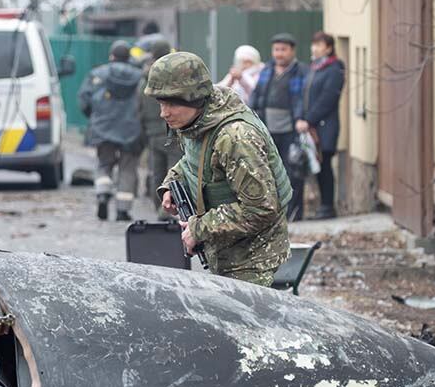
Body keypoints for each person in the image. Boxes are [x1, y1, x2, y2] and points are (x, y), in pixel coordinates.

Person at [147, 51, 291, 285]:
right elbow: (195, 161)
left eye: (172, 103)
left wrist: (199, 229)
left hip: (253, 261)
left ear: (193, 97)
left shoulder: (235, 138)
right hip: (226, 253)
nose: (164, 113)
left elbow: (261, 209)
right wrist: (171, 184)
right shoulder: (199, 122)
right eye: (161, 103)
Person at [78, 40, 143, 221]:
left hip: (103, 127)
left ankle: (102, 193)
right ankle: (122, 210)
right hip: (131, 129)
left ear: (111, 56)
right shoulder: (139, 77)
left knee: (104, 164)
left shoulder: (97, 74)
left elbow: (84, 100)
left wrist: (94, 117)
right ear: (128, 57)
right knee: (127, 169)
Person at [250, 33, 308, 221]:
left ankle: (294, 212)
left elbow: (303, 100)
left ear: (292, 51)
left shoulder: (301, 72)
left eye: (283, 50)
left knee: (293, 171)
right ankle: (274, 211)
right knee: (269, 171)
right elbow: (256, 96)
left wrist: (301, 118)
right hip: (268, 129)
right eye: (276, 49)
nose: (279, 54)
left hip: (291, 130)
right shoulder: (267, 70)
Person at [301, 31, 346, 220]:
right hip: (311, 126)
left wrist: (309, 119)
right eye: (314, 44)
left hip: (325, 126)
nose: (314, 48)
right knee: (317, 167)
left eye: (319, 45)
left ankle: (328, 206)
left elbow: (328, 98)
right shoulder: (315, 68)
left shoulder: (334, 68)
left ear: (328, 48)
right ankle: (322, 205)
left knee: (325, 165)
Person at [137, 39, 179, 214]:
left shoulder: (146, 77)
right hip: (174, 131)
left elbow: (139, 106)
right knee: (175, 173)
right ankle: (168, 212)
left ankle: (158, 208)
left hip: (153, 132)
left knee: (156, 172)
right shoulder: (176, 75)